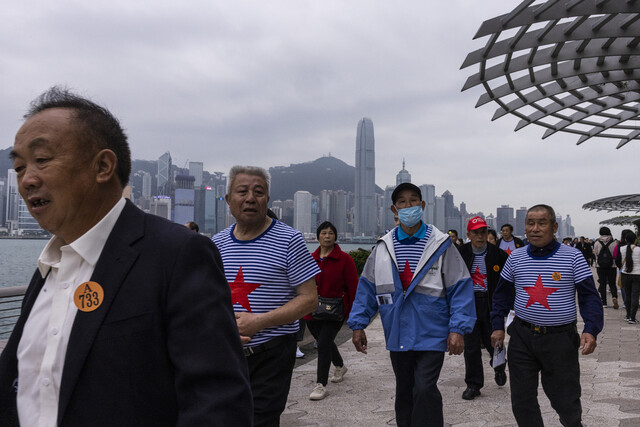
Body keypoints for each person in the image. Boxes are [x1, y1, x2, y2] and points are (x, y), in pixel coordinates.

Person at [0, 87, 252, 426]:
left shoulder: (178, 254)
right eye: (18, 168)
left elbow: (218, 403)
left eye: (42, 160)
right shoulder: (50, 266)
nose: (27, 179)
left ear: (103, 166)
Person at [348, 182, 476, 427]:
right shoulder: (383, 247)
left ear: (423, 205)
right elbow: (367, 289)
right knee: (404, 390)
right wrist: (357, 325)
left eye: (413, 200)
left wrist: (457, 329)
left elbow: (460, 288)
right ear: (394, 209)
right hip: (398, 331)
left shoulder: (441, 245)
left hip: (432, 331)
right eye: (402, 202)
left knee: (425, 388)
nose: (408, 206)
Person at [212, 165, 319, 426]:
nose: (250, 198)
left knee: (261, 420)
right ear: (228, 200)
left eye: (258, 192)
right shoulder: (216, 244)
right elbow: (207, 300)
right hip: (226, 352)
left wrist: (258, 321)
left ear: (267, 200)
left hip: (272, 353)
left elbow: (309, 298)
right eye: (242, 191)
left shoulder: (289, 240)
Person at [491, 204, 603, 427]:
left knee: (565, 399)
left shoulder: (573, 257)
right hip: (522, 336)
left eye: (541, 223)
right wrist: (497, 325)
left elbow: (590, 297)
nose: (535, 228)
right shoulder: (515, 258)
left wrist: (591, 329)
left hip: (560, 340)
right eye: (530, 223)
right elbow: (501, 295)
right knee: (522, 399)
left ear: (554, 227)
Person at [305, 221, 358, 400]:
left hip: (335, 310)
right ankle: (340, 366)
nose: (327, 236)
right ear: (317, 236)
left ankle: (321, 384)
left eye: (331, 233)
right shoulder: (310, 259)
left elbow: (353, 288)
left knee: (324, 343)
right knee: (324, 341)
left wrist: (353, 315)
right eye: (323, 233)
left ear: (335, 237)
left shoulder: (345, 259)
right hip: (311, 309)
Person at [458, 217, 509, 400]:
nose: (480, 236)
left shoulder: (499, 255)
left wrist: (507, 306)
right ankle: (473, 384)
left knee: (494, 342)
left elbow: (508, 283)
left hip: (491, 306)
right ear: (468, 234)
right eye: (476, 233)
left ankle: (499, 367)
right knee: (470, 347)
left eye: (483, 232)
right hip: (468, 305)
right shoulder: (460, 253)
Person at [593, 226, 619, 308]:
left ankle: (604, 302)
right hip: (612, 266)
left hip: (600, 266)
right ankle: (614, 296)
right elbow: (616, 254)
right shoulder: (614, 243)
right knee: (612, 283)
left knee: (603, 283)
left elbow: (595, 253)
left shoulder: (597, 243)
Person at [619, 231, 640, 324]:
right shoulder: (639, 249)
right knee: (635, 296)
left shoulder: (621, 249)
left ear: (626, 239)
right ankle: (632, 317)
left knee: (627, 295)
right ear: (635, 240)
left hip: (625, 275)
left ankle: (628, 315)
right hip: (637, 275)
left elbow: (618, 261)